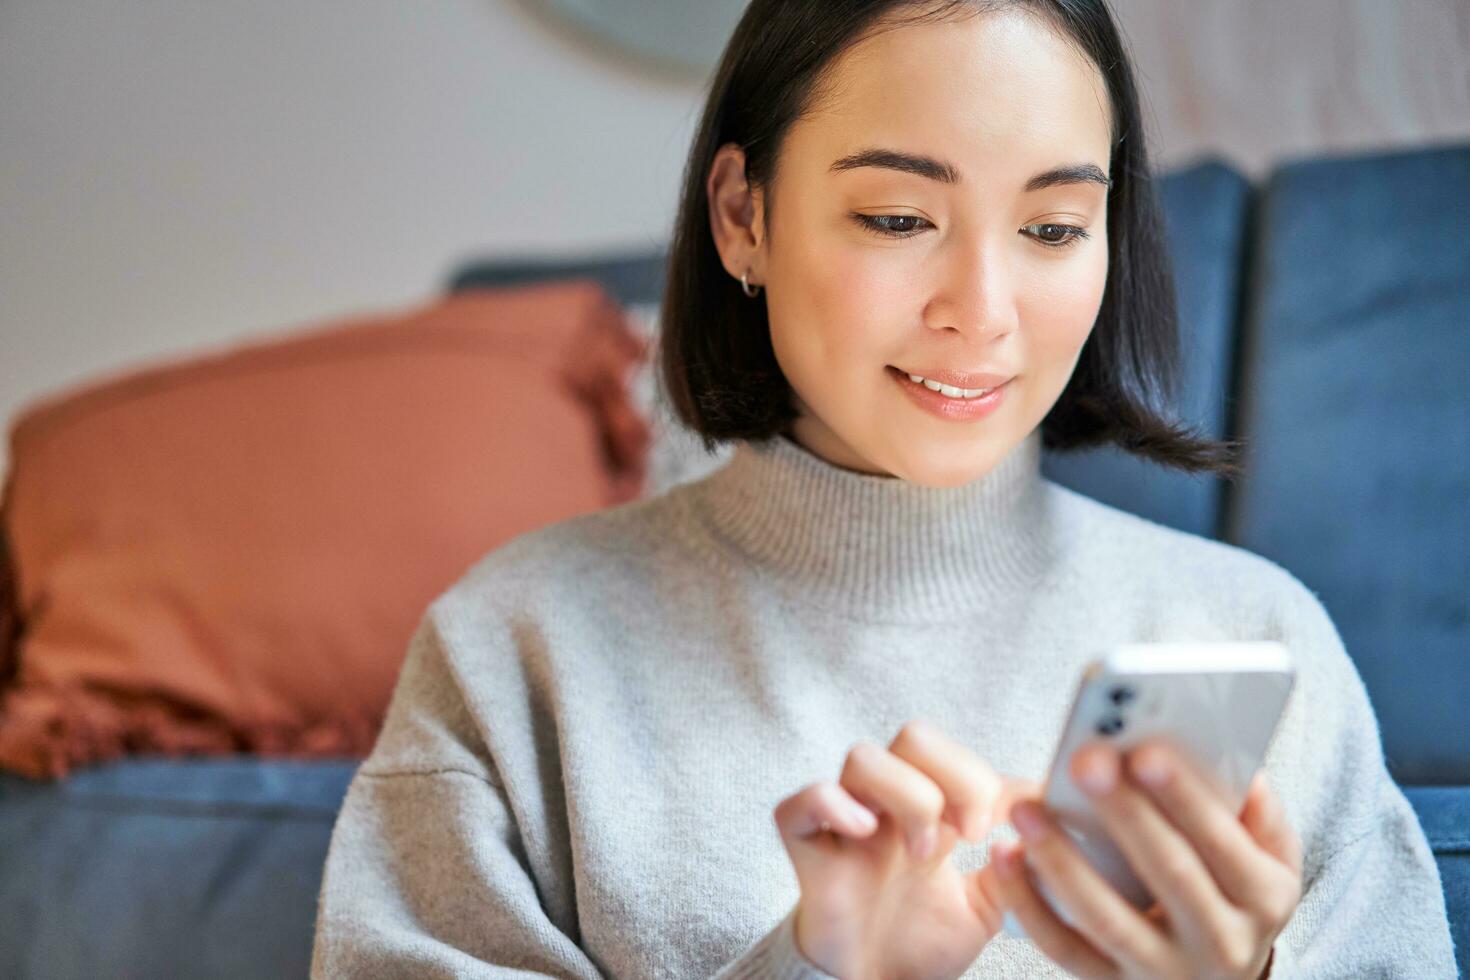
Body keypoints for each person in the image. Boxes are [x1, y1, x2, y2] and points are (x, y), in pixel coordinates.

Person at [309, 1, 1457, 977]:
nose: (984, 306)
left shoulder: (1254, 638)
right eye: (900, 217)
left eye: (1054, 227)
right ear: (742, 216)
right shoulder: (516, 654)